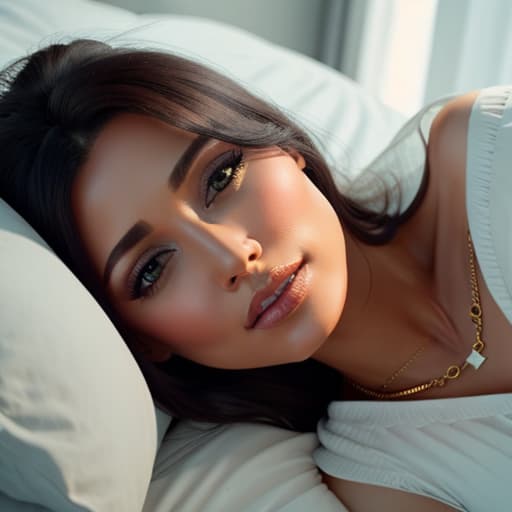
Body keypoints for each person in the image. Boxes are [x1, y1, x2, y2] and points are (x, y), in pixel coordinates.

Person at [0, 39, 511, 511]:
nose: (231, 257)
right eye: (153, 268)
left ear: (282, 145)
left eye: (221, 177)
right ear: (145, 340)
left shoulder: (489, 155)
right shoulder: (383, 481)